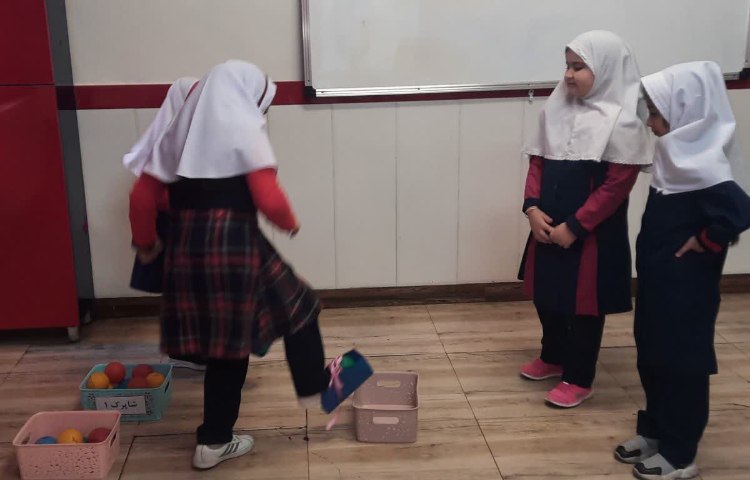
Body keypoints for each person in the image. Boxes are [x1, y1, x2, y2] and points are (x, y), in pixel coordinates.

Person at [129, 60, 335, 469]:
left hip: (185, 248)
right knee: (300, 306)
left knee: (226, 346)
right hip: (234, 246)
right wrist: (290, 224)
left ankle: (214, 439)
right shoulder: (243, 133)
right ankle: (315, 387)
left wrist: (147, 245)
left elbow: (141, 198)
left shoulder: (177, 135)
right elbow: (268, 197)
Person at [615, 61, 750, 480]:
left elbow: (739, 211)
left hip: (686, 291)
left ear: (688, 111)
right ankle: (656, 430)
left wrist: (708, 240)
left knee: (681, 363)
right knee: (652, 354)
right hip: (658, 283)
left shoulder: (706, 166)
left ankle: (681, 452)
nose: (650, 122)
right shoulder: (674, 155)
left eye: (657, 113)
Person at [518, 30, 652, 408]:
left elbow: (616, 186)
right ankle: (553, 355)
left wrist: (576, 226)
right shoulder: (555, 109)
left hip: (591, 233)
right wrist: (532, 208)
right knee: (546, 295)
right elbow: (537, 161)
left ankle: (579, 376)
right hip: (547, 225)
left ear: (606, 70)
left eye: (579, 67)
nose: (568, 75)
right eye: (567, 66)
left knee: (584, 307)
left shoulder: (623, 122)